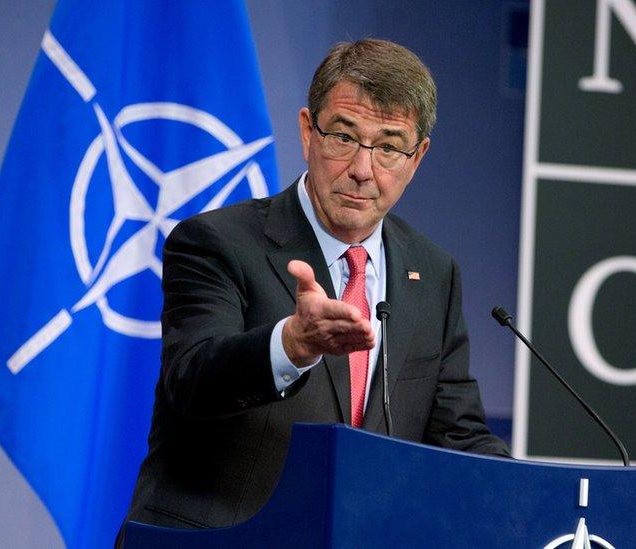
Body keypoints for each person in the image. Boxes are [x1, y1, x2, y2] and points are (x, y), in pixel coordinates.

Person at [124, 39, 509, 530]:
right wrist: (290, 346)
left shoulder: (432, 272)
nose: (362, 170)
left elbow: (459, 436)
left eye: (389, 147)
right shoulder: (215, 242)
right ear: (308, 132)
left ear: (416, 159)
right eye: (344, 138)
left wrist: (543, 500)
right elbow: (192, 381)